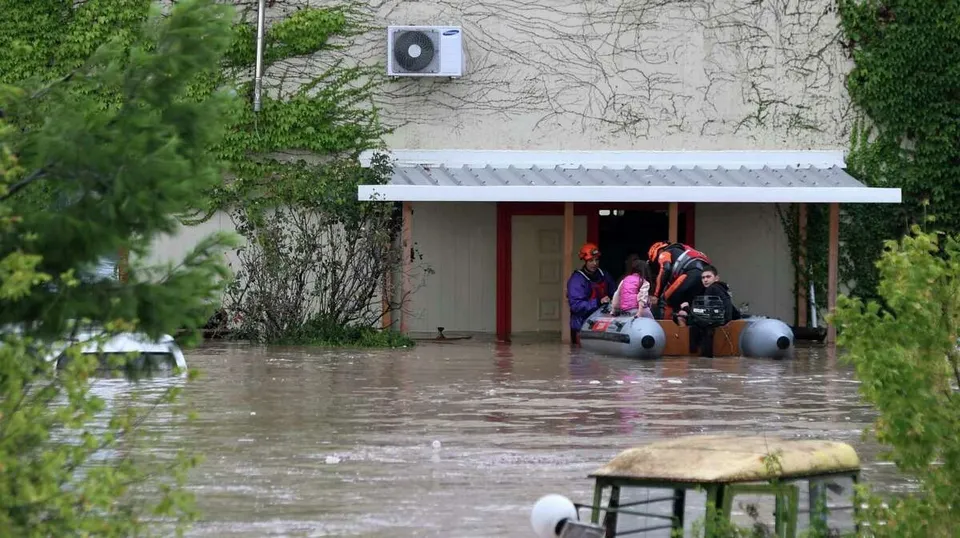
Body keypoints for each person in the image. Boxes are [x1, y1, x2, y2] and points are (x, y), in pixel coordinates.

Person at [675, 264, 742, 357]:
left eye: (708, 277)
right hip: (722, 320)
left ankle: (686, 351)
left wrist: (686, 308)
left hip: (716, 323)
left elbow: (704, 313)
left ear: (716, 278)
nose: (705, 280)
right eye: (703, 278)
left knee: (681, 315)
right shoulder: (721, 288)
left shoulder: (712, 288)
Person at [566, 242, 616, 345]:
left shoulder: (604, 275)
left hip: (602, 325)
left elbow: (615, 294)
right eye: (590, 260)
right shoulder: (577, 280)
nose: (594, 263)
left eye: (596, 260)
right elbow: (576, 306)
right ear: (584, 261)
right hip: (582, 326)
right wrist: (598, 302)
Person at [647, 241, 712, 318]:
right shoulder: (685, 251)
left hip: (691, 274)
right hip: (704, 277)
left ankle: (664, 324)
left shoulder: (665, 253)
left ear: (658, 251)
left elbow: (665, 269)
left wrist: (656, 295)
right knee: (691, 304)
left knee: (666, 298)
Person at [610, 254, 654, 319]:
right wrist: (639, 313)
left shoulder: (625, 279)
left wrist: (614, 310)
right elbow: (642, 297)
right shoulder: (643, 282)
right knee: (651, 318)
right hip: (636, 309)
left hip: (624, 310)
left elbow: (617, 294)